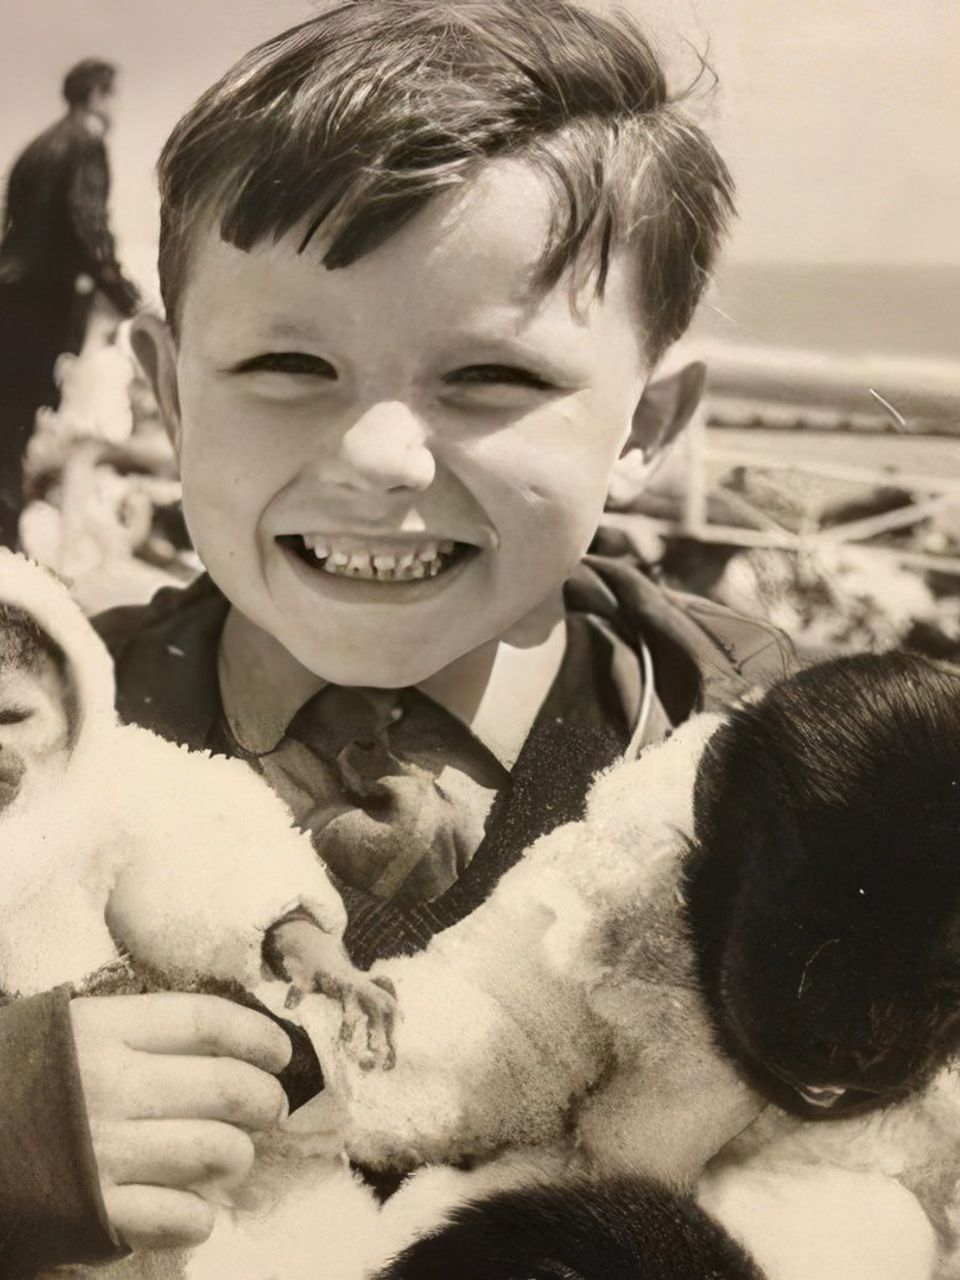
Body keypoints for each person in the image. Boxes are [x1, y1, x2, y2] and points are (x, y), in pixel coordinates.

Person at [0, 3, 799, 1275]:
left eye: (493, 378)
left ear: (646, 425)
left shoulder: (785, 773)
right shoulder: (33, 736)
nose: (380, 455)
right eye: (288, 363)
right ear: (167, 392)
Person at [0, 58, 141, 550]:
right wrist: (129, 297)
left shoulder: (37, 148)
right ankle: (7, 548)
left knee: (6, 426)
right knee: (16, 426)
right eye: (114, 95)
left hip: (10, 300)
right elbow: (89, 227)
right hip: (41, 305)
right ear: (98, 95)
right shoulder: (85, 143)